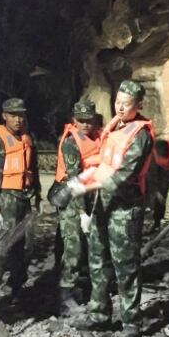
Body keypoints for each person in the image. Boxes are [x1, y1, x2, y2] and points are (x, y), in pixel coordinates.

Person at [66, 80, 154, 337]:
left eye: (126, 104)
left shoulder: (141, 134)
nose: (120, 107)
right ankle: (99, 315)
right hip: (103, 204)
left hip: (125, 209)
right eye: (118, 101)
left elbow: (125, 174)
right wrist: (83, 180)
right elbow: (104, 162)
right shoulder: (114, 126)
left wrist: (87, 186)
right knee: (97, 261)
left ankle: (131, 321)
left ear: (138, 105)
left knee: (125, 266)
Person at [0, 98, 41, 303]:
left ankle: (16, 286)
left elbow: (34, 169)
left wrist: (37, 195)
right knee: (1, 246)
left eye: (21, 115)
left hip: (24, 197)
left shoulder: (27, 137)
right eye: (13, 115)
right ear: (4, 116)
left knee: (21, 245)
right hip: (6, 198)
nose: (18, 119)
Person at [52, 100, 101, 315]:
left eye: (88, 120)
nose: (85, 125)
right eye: (80, 121)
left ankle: (82, 288)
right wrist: (82, 213)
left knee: (90, 246)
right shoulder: (71, 143)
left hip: (91, 196)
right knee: (73, 248)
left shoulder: (98, 138)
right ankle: (65, 296)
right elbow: (74, 179)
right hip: (72, 199)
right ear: (74, 120)